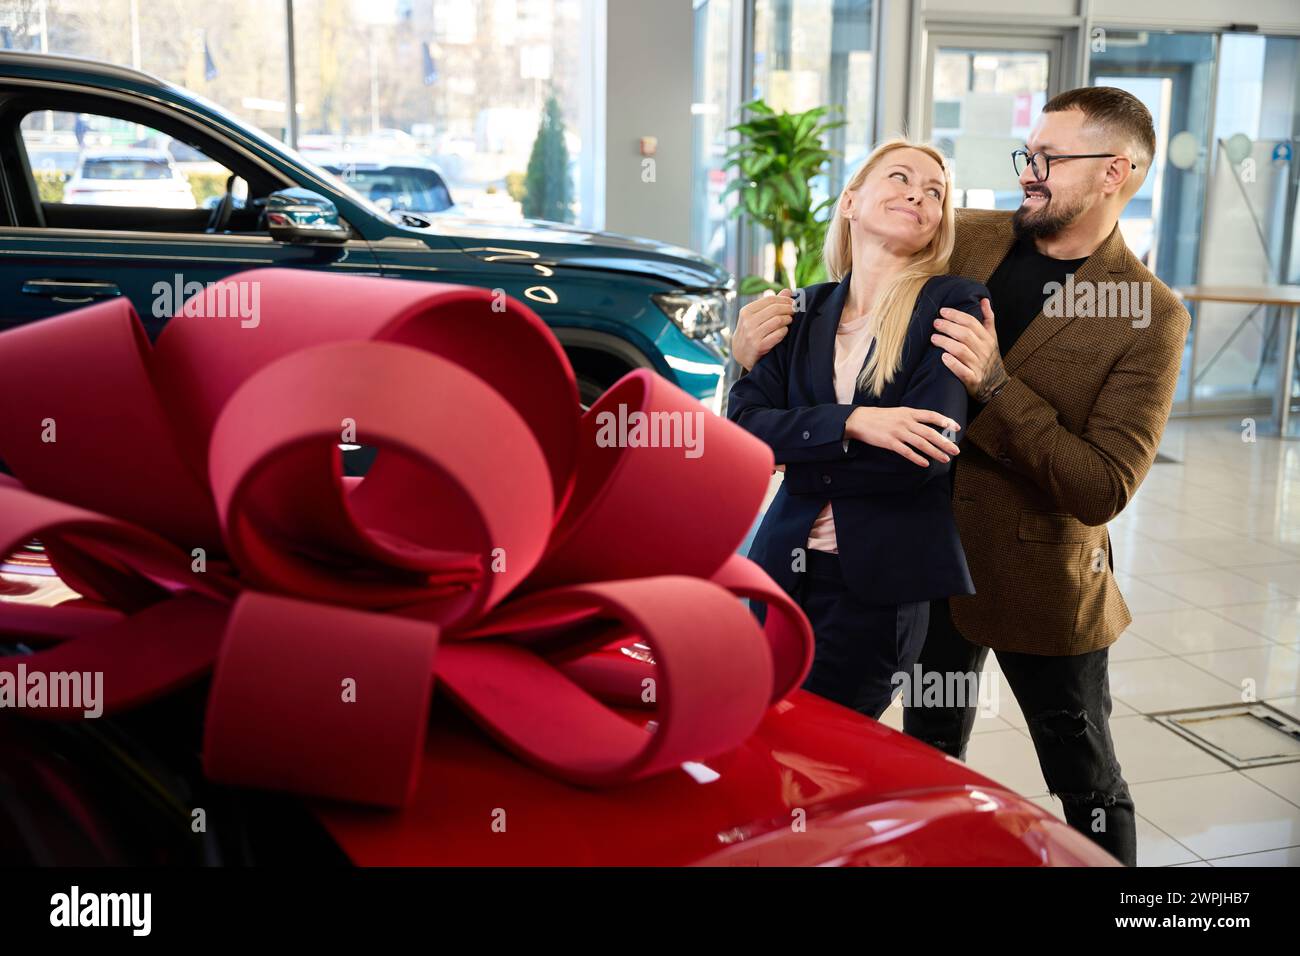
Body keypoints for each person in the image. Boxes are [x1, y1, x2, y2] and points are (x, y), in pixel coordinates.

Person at [730, 88, 1190, 867]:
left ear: (1115, 171)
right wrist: (753, 340)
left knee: (1085, 776)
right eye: (1027, 155)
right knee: (931, 751)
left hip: (1037, 577)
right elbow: (850, 299)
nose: (1028, 173)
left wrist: (999, 388)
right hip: (919, 559)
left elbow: (1104, 485)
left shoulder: (1149, 315)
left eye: (1049, 159)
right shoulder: (966, 240)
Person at [727, 138, 988, 721]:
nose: (918, 194)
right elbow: (742, 429)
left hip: (874, 585)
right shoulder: (798, 310)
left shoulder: (953, 304)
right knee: (763, 734)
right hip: (780, 569)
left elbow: (925, 452)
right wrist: (856, 423)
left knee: (828, 758)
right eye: (899, 177)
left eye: (934, 192)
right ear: (850, 202)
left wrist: (795, 446)